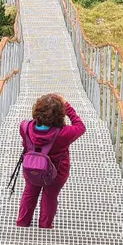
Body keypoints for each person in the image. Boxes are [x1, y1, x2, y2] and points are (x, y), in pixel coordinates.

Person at [15, 93, 85, 228]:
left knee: (29, 193)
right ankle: (45, 226)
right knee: (50, 197)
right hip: (57, 172)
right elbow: (80, 126)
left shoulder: (24, 127)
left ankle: (22, 223)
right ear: (60, 115)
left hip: (32, 168)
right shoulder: (65, 133)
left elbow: (25, 146)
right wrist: (67, 106)